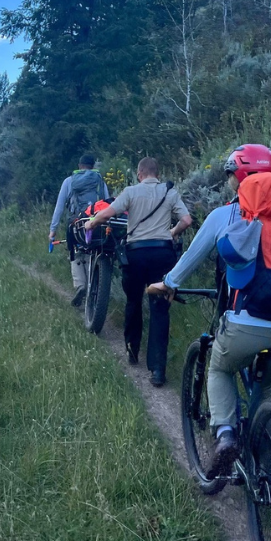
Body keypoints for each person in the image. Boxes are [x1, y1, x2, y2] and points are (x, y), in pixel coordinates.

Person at [147, 144, 271, 477]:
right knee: (267, 388)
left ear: (239, 177)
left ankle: (226, 437)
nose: (229, 180)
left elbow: (187, 263)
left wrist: (167, 284)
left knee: (219, 368)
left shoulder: (226, 214)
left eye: (231, 174)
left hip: (247, 325)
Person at [85, 157, 193, 386]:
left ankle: (132, 350)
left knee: (133, 300)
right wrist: (172, 232)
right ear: (157, 173)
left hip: (136, 254)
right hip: (163, 254)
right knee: (160, 308)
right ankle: (157, 371)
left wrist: (90, 223)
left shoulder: (131, 191)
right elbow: (186, 220)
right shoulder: (169, 192)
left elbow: (108, 213)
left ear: (140, 173)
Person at [50, 153, 111, 306]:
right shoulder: (100, 181)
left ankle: (81, 286)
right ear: (93, 166)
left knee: (75, 251)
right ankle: (95, 284)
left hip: (76, 224)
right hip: (97, 223)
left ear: (79, 166)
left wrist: (53, 230)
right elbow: (108, 203)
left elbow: (59, 207)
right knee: (96, 249)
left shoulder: (69, 181)